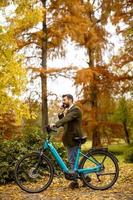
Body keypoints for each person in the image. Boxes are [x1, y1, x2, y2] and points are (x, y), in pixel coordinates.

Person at [55, 94, 90, 189]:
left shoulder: (75, 110)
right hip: (69, 139)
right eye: (62, 100)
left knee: (72, 161)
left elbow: (66, 119)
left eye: (64, 100)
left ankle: (76, 181)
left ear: (70, 100)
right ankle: (85, 177)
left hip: (74, 138)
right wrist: (61, 112)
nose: (63, 102)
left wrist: (55, 124)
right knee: (73, 160)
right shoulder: (69, 111)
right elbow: (64, 121)